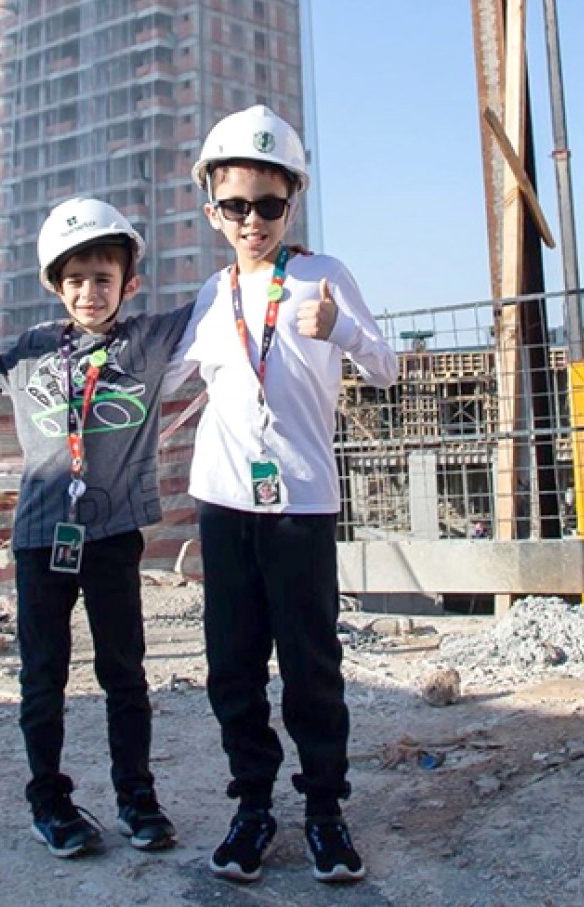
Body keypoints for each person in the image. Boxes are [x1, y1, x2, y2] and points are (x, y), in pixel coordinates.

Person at [179, 105, 398, 885]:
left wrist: (341, 328)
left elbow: (387, 368)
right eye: (235, 205)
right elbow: (154, 381)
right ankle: (251, 805)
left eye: (267, 204)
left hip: (301, 502)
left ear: (290, 204)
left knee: (311, 664)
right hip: (223, 502)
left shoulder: (321, 275)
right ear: (212, 210)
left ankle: (325, 810)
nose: (252, 220)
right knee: (231, 665)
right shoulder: (208, 298)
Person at [0, 197, 195, 860]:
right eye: (74, 280)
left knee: (123, 672)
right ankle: (50, 800)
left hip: (113, 535)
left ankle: (136, 797)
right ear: (54, 286)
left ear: (129, 282)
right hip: (41, 536)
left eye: (102, 277)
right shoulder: (35, 348)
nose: (88, 291)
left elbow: (213, 305)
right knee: (43, 674)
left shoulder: (145, 341)